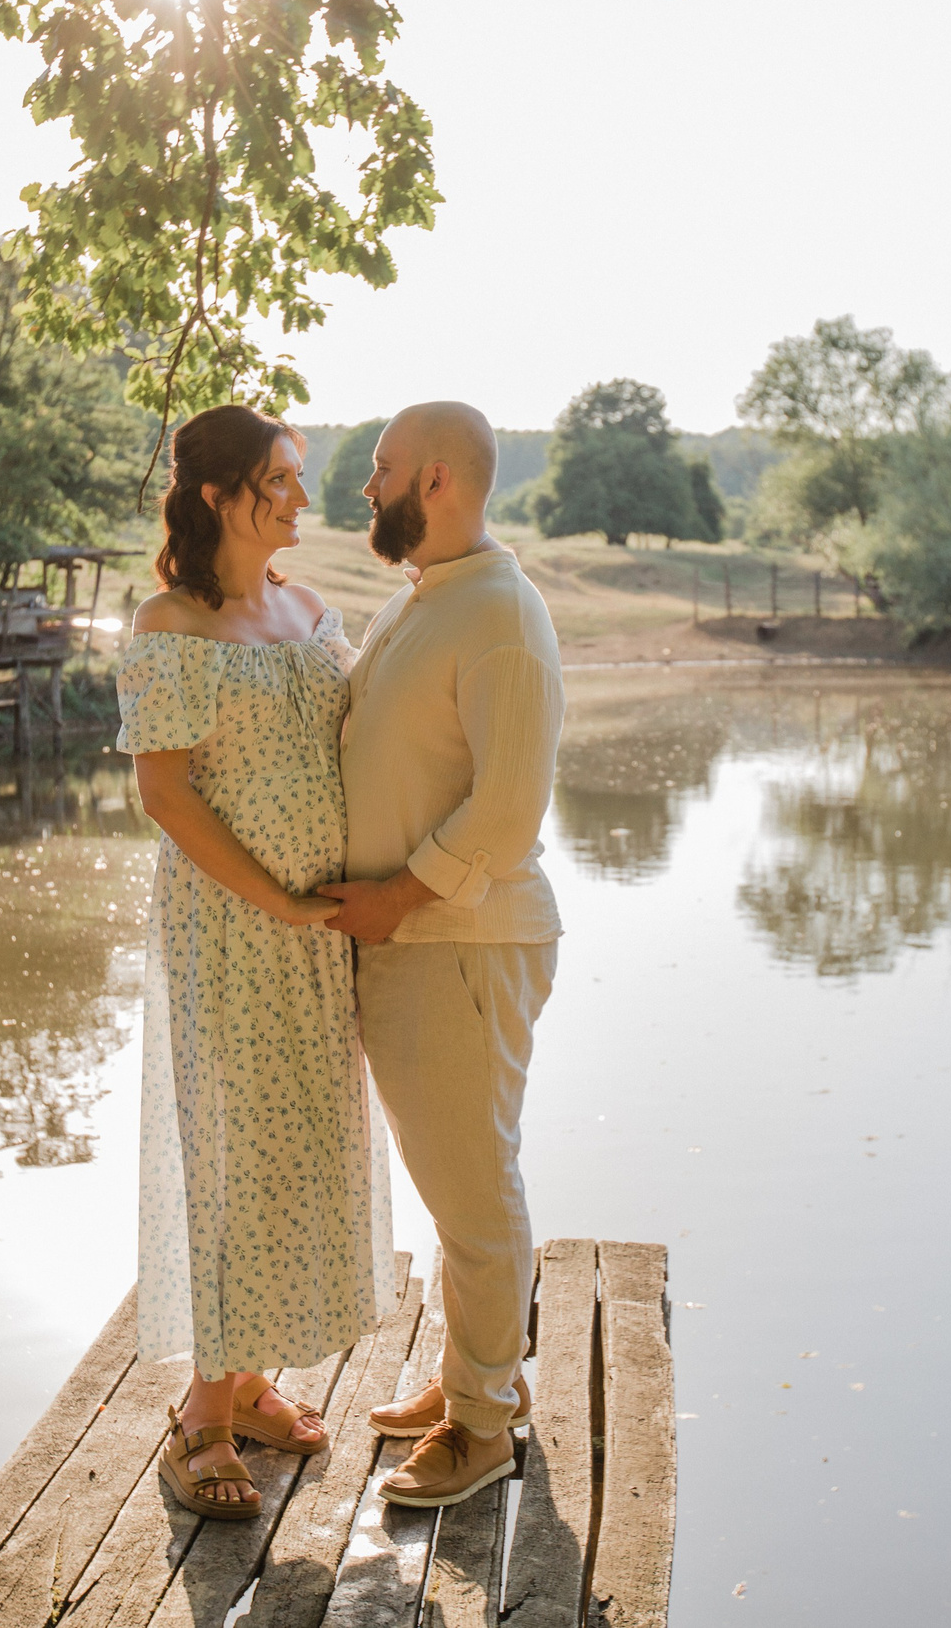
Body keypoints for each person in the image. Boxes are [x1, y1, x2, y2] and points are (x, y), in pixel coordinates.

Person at [115, 404, 395, 1520]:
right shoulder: (169, 620)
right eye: (280, 478)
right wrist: (272, 897)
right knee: (228, 1157)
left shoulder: (313, 607)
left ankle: (252, 1380)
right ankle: (201, 1417)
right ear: (221, 493)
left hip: (314, 937)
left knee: (300, 1149)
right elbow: (164, 794)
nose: (301, 495)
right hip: (231, 933)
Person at [316, 401, 564, 1510]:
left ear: (435, 480)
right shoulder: (425, 601)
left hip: (460, 940)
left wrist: (397, 898)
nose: (363, 489)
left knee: (473, 1189)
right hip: (411, 940)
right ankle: (475, 1378)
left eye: (378, 471)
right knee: (449, 1181)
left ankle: (482, 1427)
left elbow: (507, 811)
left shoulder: (500, 616)